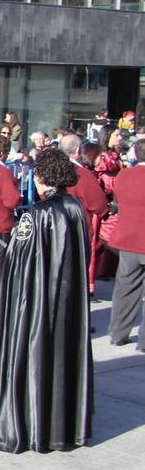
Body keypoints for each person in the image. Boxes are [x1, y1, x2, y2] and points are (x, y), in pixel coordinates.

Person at [0, 148, 93, 454]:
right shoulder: (74, 208)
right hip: (65, 303)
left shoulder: (37, 215)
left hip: (37, 303)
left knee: (34, 357)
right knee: (60, 358)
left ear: (40, 177)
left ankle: (27, 426)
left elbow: (16, 263)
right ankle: (59, 428)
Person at [107, 139, 145, 348]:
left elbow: (118, 201)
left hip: (128, 237)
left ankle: (117, 333)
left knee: (125, 288)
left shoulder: (124, 175)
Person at [61, 133, 109, 296]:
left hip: (55, 226)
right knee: (75, 276)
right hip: (77, 228)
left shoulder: (52, 168)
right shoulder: (81, 173)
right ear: (77, 150)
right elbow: (98, 204)